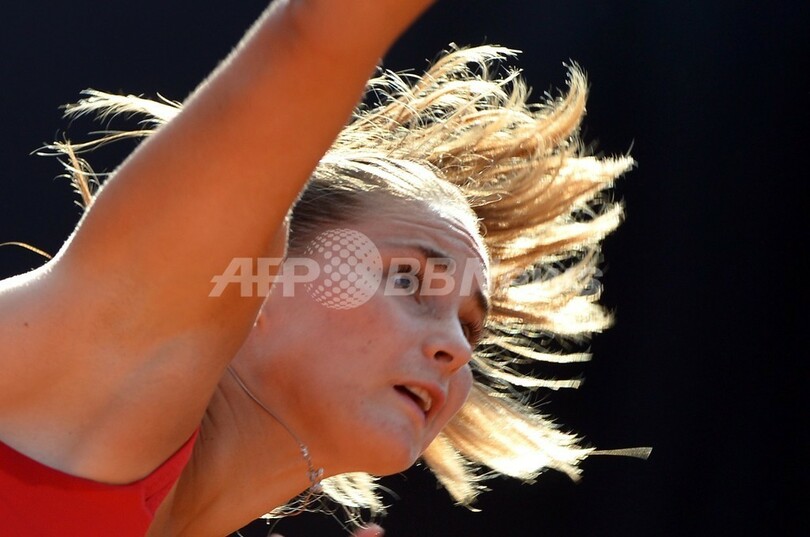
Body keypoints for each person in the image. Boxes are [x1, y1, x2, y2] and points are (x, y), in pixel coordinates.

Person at [0, 1, 644, 535]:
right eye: (408, 279)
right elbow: (318, 31)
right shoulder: (108, 350)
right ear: (257, 276)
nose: (455, 346)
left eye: (471, 329)